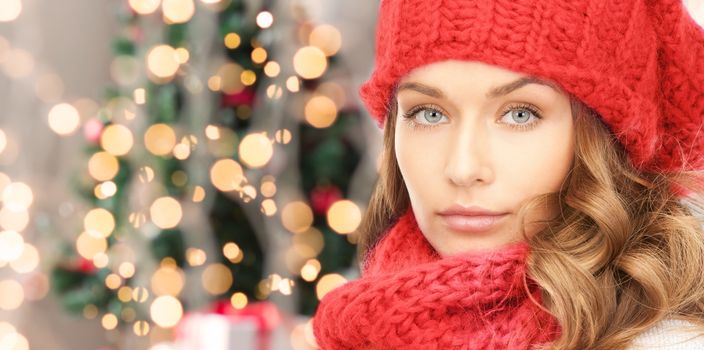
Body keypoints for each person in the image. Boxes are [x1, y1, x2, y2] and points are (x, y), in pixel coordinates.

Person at [313, 0, 704, 349]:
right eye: (429, 113)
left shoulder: (670, 341)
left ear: (606, 138)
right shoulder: (366, 323)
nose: (463, 169)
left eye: (520, 114)